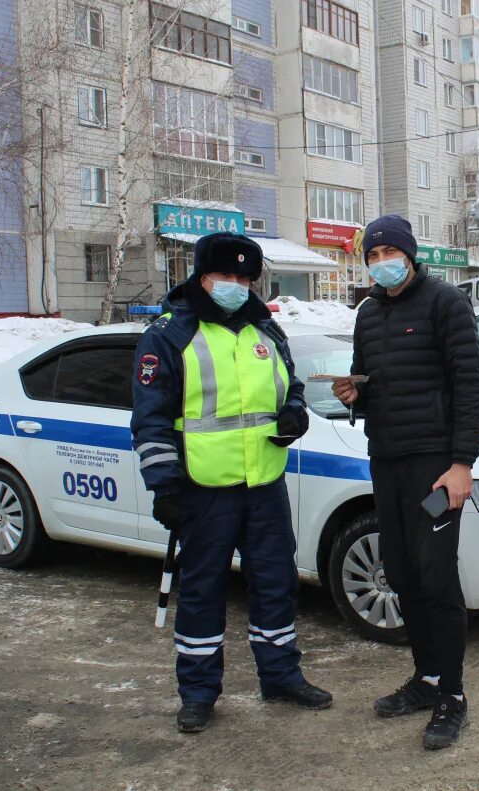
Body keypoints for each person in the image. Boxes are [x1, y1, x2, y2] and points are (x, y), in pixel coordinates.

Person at [131, 232, 331, 734]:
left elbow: (292, 388)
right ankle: (198, 693)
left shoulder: (265, 329)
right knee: (202, 591)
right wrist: (164, 486)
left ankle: (281, 676)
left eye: (246, 277)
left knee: (275, 584)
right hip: (203, 488)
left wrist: (294, 415)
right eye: (228, 276)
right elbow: (149, 418)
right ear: (202, 277)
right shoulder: (170, 334)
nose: (237, 285)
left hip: (264, 483)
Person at [332, 215, 479, 751]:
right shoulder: (368, 314)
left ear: (410, 254)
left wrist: (462, 463)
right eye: (371, 257)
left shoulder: (446, 303)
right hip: (388, 462)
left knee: (436, 576)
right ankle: (425, 680)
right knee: (401, 572)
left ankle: (453, 696)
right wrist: (355, 396)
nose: (380, 264)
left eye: (388, 254)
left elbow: (470, 385)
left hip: (435, 468)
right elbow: (368, 382)